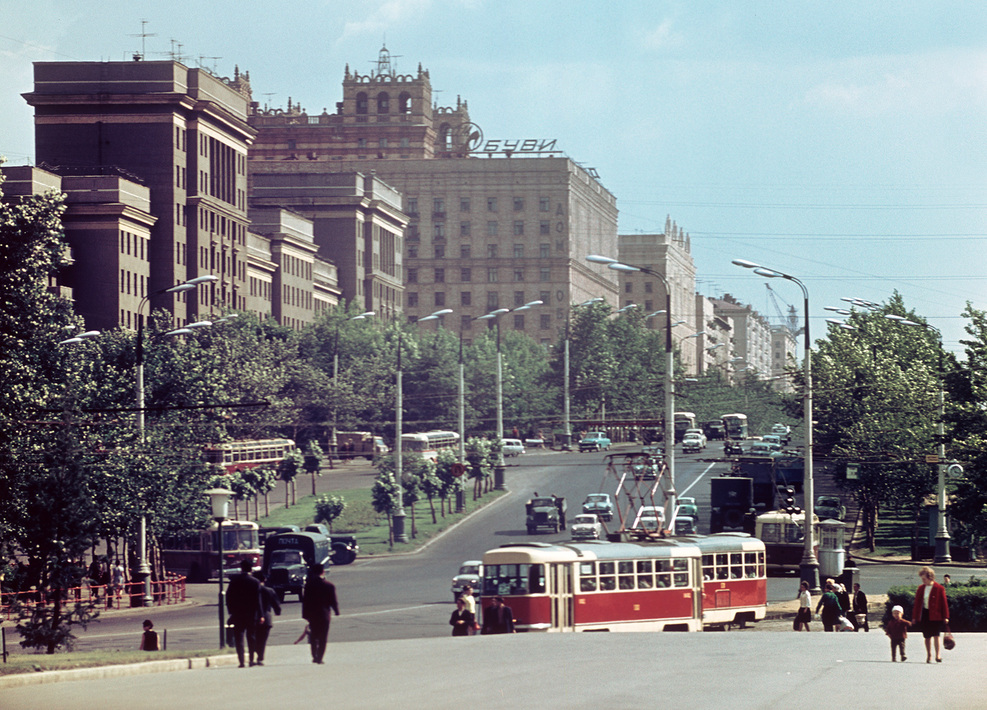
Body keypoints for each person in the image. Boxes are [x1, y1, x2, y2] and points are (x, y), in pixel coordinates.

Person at [226, 559, 263, 668]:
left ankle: (241, 661)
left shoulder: (234, 581)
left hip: (238, 614)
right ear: (251, 569)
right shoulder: (255, 582)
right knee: (251, 637)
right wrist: (260, 615)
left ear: (241, 568)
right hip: (251, 614)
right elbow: (258, 600)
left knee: (239, 637)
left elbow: (229, 597)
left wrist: (231, 612)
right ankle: (251, 660)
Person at [301, 562, 339, 664]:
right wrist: (336, 611)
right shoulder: (329, 585)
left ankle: (314, 655)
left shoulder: (309, 585)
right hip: (324, 614)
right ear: (323, 571)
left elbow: (305, 601)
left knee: (313, 636)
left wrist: (305, 615)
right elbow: (333, 600)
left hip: (312, 615)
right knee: (323, 637)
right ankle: (320, 657)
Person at [913, 565, 949, 663]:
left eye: (924, 578)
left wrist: (946, 616)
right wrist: (914, 617)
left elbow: (944, 603)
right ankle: (929, 655)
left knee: (936, 635)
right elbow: (917, 604)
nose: (923, 581)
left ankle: (938, 655)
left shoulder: (939, 588)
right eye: (922, 579)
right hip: (925, 614)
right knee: (927, 636)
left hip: (936, 615)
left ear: (930, 577)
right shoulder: (921, 588)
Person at [253, 570, 281, 666]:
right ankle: (260, 657)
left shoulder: (251, 591)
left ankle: (253, 654)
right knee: (262, 639)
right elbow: (276, 604)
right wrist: (278, 611)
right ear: (264, 579)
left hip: (253, 617)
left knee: (253, 637)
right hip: (266, 617)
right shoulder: (269, 590)